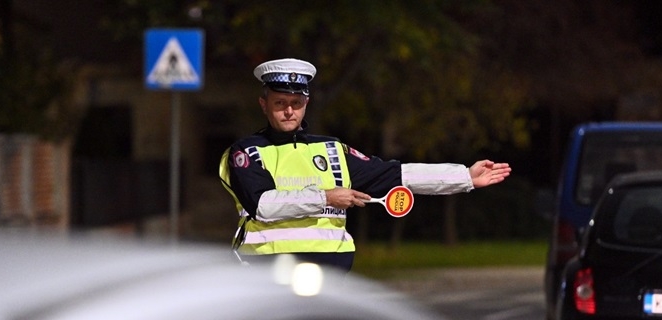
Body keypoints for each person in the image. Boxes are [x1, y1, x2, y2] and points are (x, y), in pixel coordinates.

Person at [219, 58, 512, 272]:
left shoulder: (331, 149)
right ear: (263, 104)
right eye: (280, 103)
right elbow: (264, 205)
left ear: (307, 103)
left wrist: (465, 177)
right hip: (266, 268)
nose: (289, 111)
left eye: (296, 102)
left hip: (329, 269)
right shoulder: (247, 151)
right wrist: (326, 197)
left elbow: (398, 174)